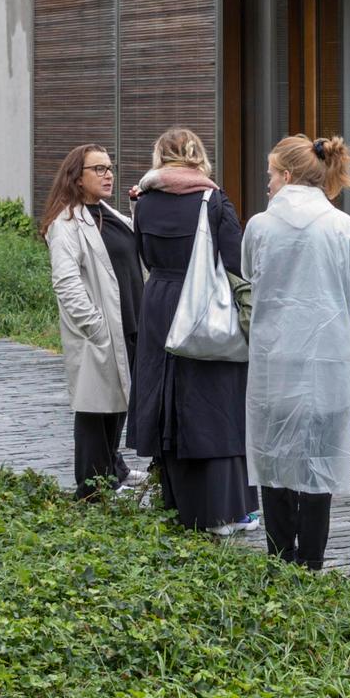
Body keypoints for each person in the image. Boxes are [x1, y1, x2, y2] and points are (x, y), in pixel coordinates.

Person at [241, 134, 350, 568]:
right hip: (328, 358)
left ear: (285, 175)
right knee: (319, 460)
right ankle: (313, 560)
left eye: (269, 175)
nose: (267, 184)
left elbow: (248, 273)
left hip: (273, 360)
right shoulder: (344, 227)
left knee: (274, 457)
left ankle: (278, 555)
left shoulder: (260, 226)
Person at [127, 127, 253, 532]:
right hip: (201, 304)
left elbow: (143, 253)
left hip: (159, 300)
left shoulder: (142, 202)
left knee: (165, 394)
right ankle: (223, 508)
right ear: (199, 156)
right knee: (213, 398)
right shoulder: (213, 200)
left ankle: (174, 499)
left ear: (160, 157)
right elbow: (236, 261)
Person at [42, 140, 142, 498]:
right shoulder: (66, 224)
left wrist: (137, 207)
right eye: (98, 169)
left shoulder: (108, 213)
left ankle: (113, 470)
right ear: (77, 177)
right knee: (94, 408)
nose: (108, 174)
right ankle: (92, 485)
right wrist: (95, 325)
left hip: (128, 321)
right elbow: (66, 283)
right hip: (100, 328)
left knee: (117, 403)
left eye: (110, 167)